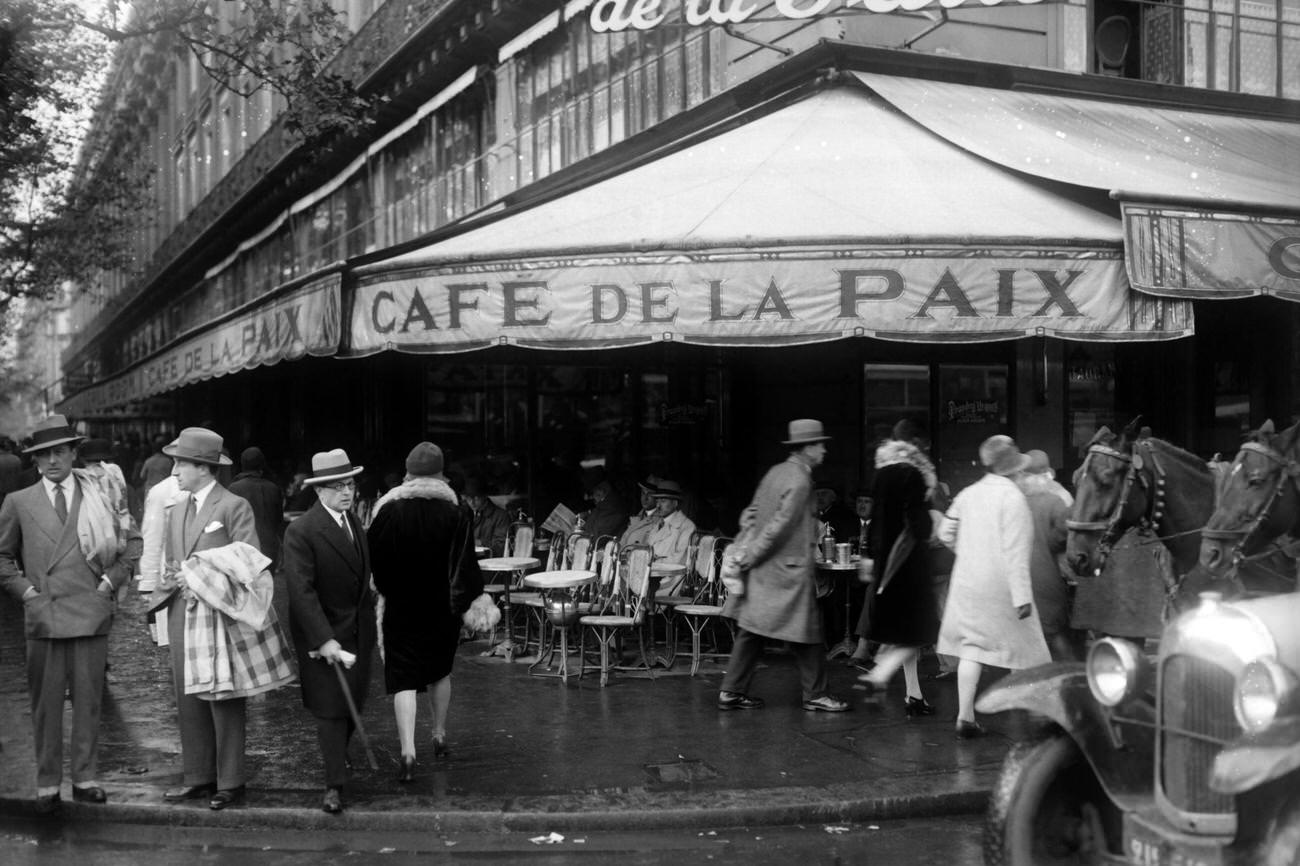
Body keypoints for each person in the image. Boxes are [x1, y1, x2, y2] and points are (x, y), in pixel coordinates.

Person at [0, 415, 140, 815]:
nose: (52, 461)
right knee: (45, 704)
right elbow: (2, 556)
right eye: (42, 454)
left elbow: (132, 541)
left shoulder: (100, 494)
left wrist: (110, 583)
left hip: (90, 611)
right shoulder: (19, 502)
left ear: (74, 452)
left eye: (59, 451)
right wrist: (27, 593)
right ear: (35, 459)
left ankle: (85, 778)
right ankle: (47, 783)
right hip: (44, 615)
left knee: (89, 700)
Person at [154, 427, 285, 811]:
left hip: (219, 615)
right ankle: (197, 776)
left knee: (223, 695)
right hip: (182, 613)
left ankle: (230, 781)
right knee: (187, 693)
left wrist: (200, 574)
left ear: (204, 467)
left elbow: (250, 561)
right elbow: (170, 564)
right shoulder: (176, 508)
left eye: (181, 463)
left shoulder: (232, 506)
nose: (174, 470)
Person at [367, 441, 483, 783]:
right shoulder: (457, 512)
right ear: (440, 475)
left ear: (407, 474)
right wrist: (464, 603)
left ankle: (407, 751)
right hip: (441, 608)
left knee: (403, 678)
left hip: (401, 606)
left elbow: (375, 563)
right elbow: (465, 566)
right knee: (439, 671)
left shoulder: (388, 511)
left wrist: (387, 588)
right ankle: (439, 734)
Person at [718, 419, 850, 714]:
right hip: (787, 571)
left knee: (751, 630)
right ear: (806, 448)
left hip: (764, 570)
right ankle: (816, 694)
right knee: (809, 633)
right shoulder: (801, 480)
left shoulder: (775, 473)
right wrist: (751, 554)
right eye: (820, 444)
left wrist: (748, 552)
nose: (824, 450)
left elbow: (750, 514)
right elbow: (779, 527)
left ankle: (731, 690)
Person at [282, 449, 377, 814]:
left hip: (358, 632)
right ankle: (333, 785)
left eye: (350, 484)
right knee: (330, 711)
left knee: (354, 705)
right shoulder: (302, 530)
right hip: (321, 635)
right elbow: (301, 591)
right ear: (319, 491)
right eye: (337, 486)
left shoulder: (354, 523)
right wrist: (324, 638)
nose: (346, 491)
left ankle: (339, 757)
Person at [937, 435, 1050, 739]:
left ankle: (965, 716)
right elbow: (1016, 551)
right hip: (1003, 586)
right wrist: (1022, 596)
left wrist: (969, 554)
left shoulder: (968, 493)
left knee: (972, 647)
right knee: (1029, 651)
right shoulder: (1013, 498)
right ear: (1015, 469)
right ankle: (1037, 717)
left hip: (968, 582)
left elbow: (945, 531)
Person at [855, 433, 941, 717]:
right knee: (922, 631)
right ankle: (879, 675)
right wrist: (932, 525)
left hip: (885, 568)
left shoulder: (879, 479)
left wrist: (868, 556)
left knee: (901, 633)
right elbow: (918, 524)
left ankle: (913, 695)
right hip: (910, 566)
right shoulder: (912, 476)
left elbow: (874, 524)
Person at [1019, 451, 1083, 661]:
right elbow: (1068, 534)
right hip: (1050, 578)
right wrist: (1051, 542)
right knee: (1055, 634)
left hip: (1020, 580)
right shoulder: (1058, 500)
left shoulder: (1016, 501)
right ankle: (1072, 675)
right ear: (1048, 474)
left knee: (1027, 639)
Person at [228, 446, 286, 571]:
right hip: (269, 548)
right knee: (267, 587)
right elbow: (278, 521)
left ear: (242, 465)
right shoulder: (273, 488)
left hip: (243, 547)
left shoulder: (234, 488)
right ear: (262, 465)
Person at [646, 479, 696, 593]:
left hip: (671, 580)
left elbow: (680, 560)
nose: (658, 505)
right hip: (650, 576)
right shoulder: (656, 525)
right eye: (657, 500)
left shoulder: (687, 527)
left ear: (675, 503)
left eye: (663, 501)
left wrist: (652, 564)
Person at [464, 477, 510, 556]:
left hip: (491, 563)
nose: (472, 502)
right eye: (468, 498)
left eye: (476, 498)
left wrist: (480, 542)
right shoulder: (464, 514)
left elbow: (501, 546)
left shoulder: (501, 516)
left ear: (485, 496)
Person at [580, 475, 629, 541]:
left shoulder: (612, 510)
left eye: (590, 493)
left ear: (601, 491)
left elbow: (595, 539)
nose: (587, 498)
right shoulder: (604, 506)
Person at [619, 476, 661, 547]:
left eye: (650, 494)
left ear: (658, 497)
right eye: (643, 493)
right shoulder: (637, 517)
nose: (645, 498)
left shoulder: (660, 521)